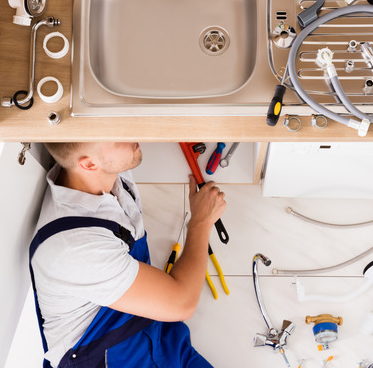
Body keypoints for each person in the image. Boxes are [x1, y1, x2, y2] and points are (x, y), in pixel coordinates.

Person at [29, 142, 226, 367]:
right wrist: (201, 221)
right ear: (89, 163)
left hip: (155, 335)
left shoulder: (105, 172)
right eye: (118, 136)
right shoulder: (76, 247)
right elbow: (182, 303)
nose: (133, 134)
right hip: (108, 358)